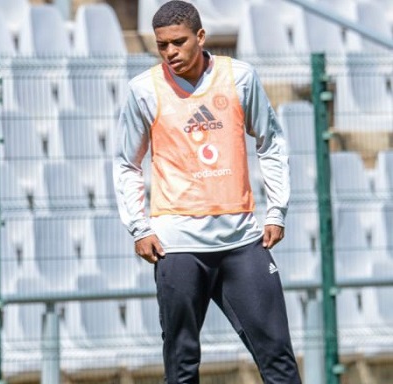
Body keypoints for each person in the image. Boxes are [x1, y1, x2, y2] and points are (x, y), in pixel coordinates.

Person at [113, 1, 301, 382]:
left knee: (278, 358)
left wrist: (276, 210)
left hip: (242, 242)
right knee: (182, 365)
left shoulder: (240, 78)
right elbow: (126, 163)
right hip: (177, 247)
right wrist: (140, 227)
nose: (170, 53)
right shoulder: (144, 89)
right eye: (161, 45)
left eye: (178, 42)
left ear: (200, 37)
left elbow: (272, 143)